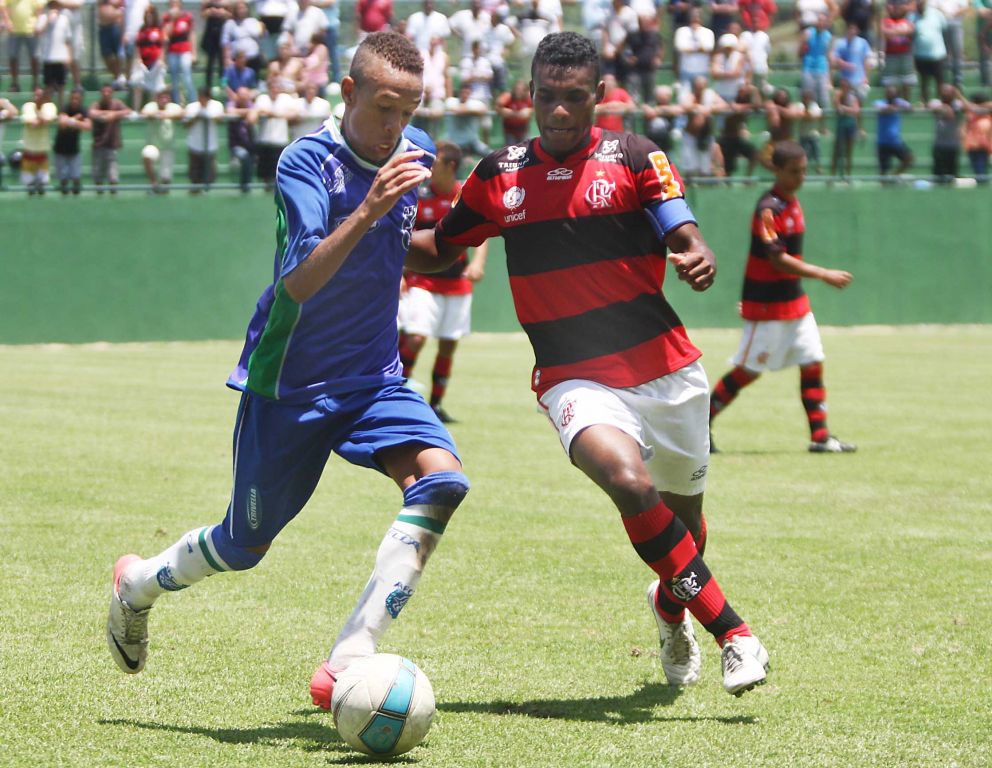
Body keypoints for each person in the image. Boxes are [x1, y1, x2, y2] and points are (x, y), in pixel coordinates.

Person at [106, 34, 470, 718]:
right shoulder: (306, 162)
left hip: (373, 379)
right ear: (350, 92)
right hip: (291, 385)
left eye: (410, 109)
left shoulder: (412, 150)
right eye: (385, 107)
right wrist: (367, 210)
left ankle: (349, 659)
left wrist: (470, 236)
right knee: (243, 546)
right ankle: (139, 584)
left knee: (442, 479)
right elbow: (298, 282)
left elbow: (402, 253)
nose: (396, 124)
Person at [410, 31, 770, 696]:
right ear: (530, 95)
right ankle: (735, 634)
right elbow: (441, 249)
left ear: (599, 97)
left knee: (684, 533)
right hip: (573, 376)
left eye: (574, 99)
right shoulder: (499, 174)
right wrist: (373, 237)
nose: (558, 111)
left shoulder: (636, 156)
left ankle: (671, 608)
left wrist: (696, 252)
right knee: (630, 485)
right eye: (546, 97)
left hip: (667, 372)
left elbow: (681, 229)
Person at [709, 140, 855, 454]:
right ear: (777, 170)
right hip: (766, 304)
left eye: (803, 171)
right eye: (794, 171)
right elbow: (776, 259)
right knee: (747, 371)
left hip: (795, 304)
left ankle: (820, 437)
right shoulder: (769, 209)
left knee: (813, 362)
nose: (801, 177)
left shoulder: (792, 203)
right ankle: (699, 430)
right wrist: (823, 273)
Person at [398, 141, 488, 424]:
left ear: (449, 166)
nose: (427, 169)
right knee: (416, 337)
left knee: (448, 344)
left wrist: (477, 263)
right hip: (422, 279)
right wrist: (400, 274)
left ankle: (436, 405)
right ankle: (394, 398)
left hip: (456, 282)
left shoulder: (464, 194)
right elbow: (402, 236)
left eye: (433, 164)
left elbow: (480, 233)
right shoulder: (419, 193)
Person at [88, 81, 130, 193]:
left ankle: (114, 195)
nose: (106, 94)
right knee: (98, 177)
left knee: (113, 176)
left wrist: (114, 115)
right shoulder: (96, 104)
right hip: (98, 145)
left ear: (112, 93)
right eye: (104, 91)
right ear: (101, 93)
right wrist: (107, 115)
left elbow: (128, 111)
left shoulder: (117, 104)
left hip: (112, 145)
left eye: (109, 91)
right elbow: (91, 112)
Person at [183, 84, 224, 191]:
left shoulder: (216, 105)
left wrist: (207, 116)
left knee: (210, 177)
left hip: (210, 146)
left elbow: (220, 119)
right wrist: (196, 117)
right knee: (195, 178)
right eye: (200, 96)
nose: (202, 99)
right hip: (195, 146)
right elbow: (185, 124)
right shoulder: (191, 107)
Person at [141, 88, 183, 192]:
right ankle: (153, 182)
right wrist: (156, 115)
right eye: (161, 97)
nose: (164, 99)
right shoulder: (151, 106)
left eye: (166, 97)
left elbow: (182, 114)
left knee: (166, 179)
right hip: (154, 145)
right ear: (157, 98)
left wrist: (166, 115)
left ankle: (162, 191)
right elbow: (144, 113)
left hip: (168, 147)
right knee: (147, 154)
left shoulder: (174, 107)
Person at [19, 86, 58, 195]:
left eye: (40, 95)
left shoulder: (50, 106)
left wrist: (39, 117)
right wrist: (40, 119)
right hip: (29, 151)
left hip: (42, 151)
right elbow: (30, 122)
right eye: (36, 95)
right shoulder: (27, 106)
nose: (38, 98)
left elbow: (47, 120)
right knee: (29, 186)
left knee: (43, 186)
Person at [36, 0, 73, 108]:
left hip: (61, 57)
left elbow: (68, 40)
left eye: (56, 6)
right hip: (48, 57)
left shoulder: (64, 19)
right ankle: (47, 107)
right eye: (52, 6)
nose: (55, 8)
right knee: (49, 86)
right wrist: (48, 19)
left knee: (61, 85)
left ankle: (61, 108)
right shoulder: (43, 18)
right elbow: (38, 31)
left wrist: (69, 56)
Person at [54, 86, 90, 194]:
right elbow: (62, 124)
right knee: (63, 180)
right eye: (73, 98)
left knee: (76, 178)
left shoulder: (83, 110)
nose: (75, 101)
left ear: (81, 99)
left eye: (77, 99)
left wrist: (72, 121)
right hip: (60, 149)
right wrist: (76, 119)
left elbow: (88, 126)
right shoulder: (65, 108)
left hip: (74, 149)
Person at [130, 4, 166, 111]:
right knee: (138, 86)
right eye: (147, 15)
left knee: (155, 88)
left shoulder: (159, 29)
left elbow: (163, 45)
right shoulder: (141, 29)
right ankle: (136, 110)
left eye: (151, 15)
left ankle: (151, 110)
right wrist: (138, 58)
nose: (149, 17)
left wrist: (161, 59)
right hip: (143, 63)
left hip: (155, 62)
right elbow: (138, 45)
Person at [874, 84, 914, 177]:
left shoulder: (899, 102)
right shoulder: (880, 102)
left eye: (892, 93)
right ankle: (884, 185)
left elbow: (910, 107)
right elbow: (882, 109)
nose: (890, 95)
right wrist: (894, 108)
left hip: (895, 140)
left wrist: (903, 107)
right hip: (882, 141)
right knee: (883, 170)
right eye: (888, 93)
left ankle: (895, 176)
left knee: (908, 158)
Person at [163, 0, 197, 105]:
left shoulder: (187, 16)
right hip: (172, 50)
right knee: (174, 78)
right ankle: (177, 102)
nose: (174, 5)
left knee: (187, 75)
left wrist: (194, 53)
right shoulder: (166, 18)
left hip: (185, 49)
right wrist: (172, 19)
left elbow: (192, 35)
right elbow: (166, 35)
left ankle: (193, 101)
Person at [830, 76, 862, 178]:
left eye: (845, 86)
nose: (844, 88)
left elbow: (856, 110)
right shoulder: (838, 95)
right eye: (842, 86)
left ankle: (848, 176)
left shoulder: (853, 97)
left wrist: (845, 109)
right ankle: (832, 176)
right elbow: (836, 105)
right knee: (836, 152)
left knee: (849, 152)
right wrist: (843, 106)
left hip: (850, 125)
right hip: (841, 126)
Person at [226, 84, 256, 191]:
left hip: (250, 143)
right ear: (237, 96)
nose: (244, 97)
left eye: (245, 95)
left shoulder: (250, 104)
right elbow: (230, 111)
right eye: (241, 95)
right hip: (236, 144)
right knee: (244, 156)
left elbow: (253, 118)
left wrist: (250, 113)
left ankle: (247, 183)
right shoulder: (232, 103)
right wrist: (247, 112)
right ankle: (244, 186)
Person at [200, 0, 230, 89]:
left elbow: (231, 15)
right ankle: (208, 86)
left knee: (223, 63)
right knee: (210, 63)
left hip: (223, 33)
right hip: (210, 34)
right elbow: (203, 14)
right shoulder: (207, 2)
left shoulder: (226, 3)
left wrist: (222, 12)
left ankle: (224, 86)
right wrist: (210, 11)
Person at [495, 78, 533, 145]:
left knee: (525, 148)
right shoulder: (508, 97)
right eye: (517, 89)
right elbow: (498, 106)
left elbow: (534, 108)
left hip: (523, 129)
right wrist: (509, 112)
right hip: (510, 129)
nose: (519, 92)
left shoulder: (528, 98)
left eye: (522, 90)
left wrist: (529, 111)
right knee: (511, 148)